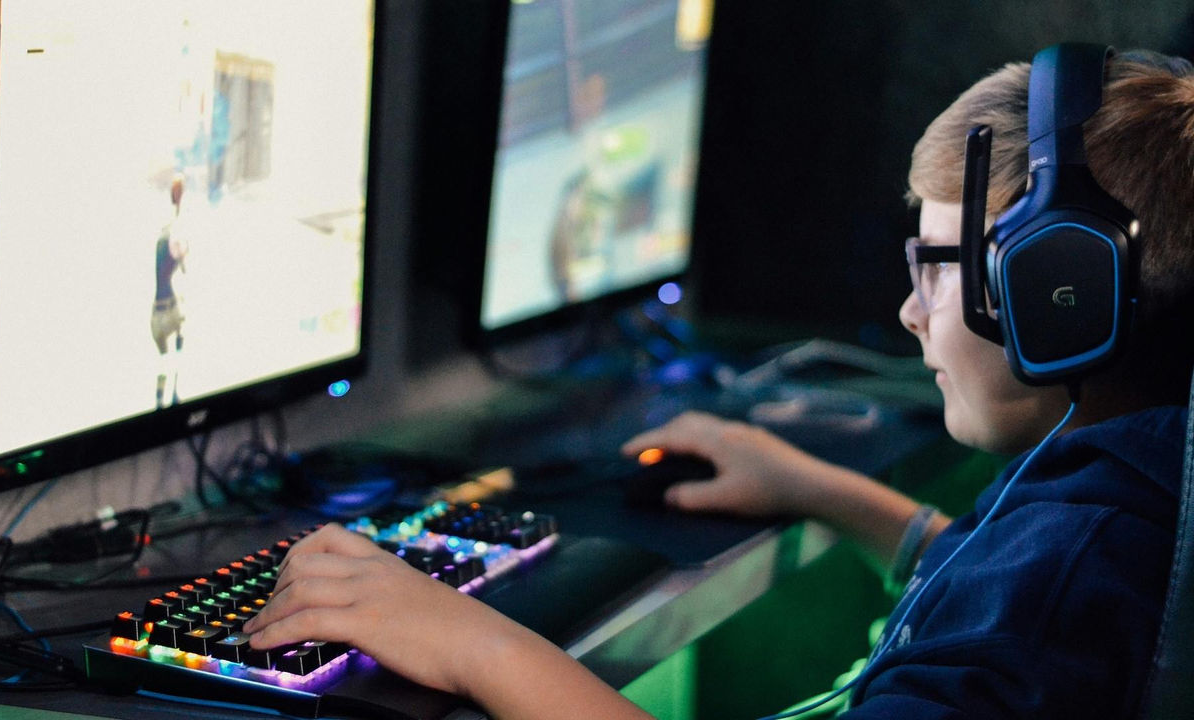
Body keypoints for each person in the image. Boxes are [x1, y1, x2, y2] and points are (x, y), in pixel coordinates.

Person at [241, 47, 1194, 719]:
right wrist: (815, 488)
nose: (910, 311)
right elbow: (984, 593)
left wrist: (472, 644)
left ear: (1064, 292)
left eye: (940, 267)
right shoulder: (1123, 484)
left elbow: (1017, 617)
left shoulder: (1081, 556)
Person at [152, 174, 189, 409]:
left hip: (158, 311)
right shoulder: (172, 234)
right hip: (167, 309)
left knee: (165, 358)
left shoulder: (165, 231)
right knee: (172, 351)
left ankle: (163, 398)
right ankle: (170, 395)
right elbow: (180, 255)